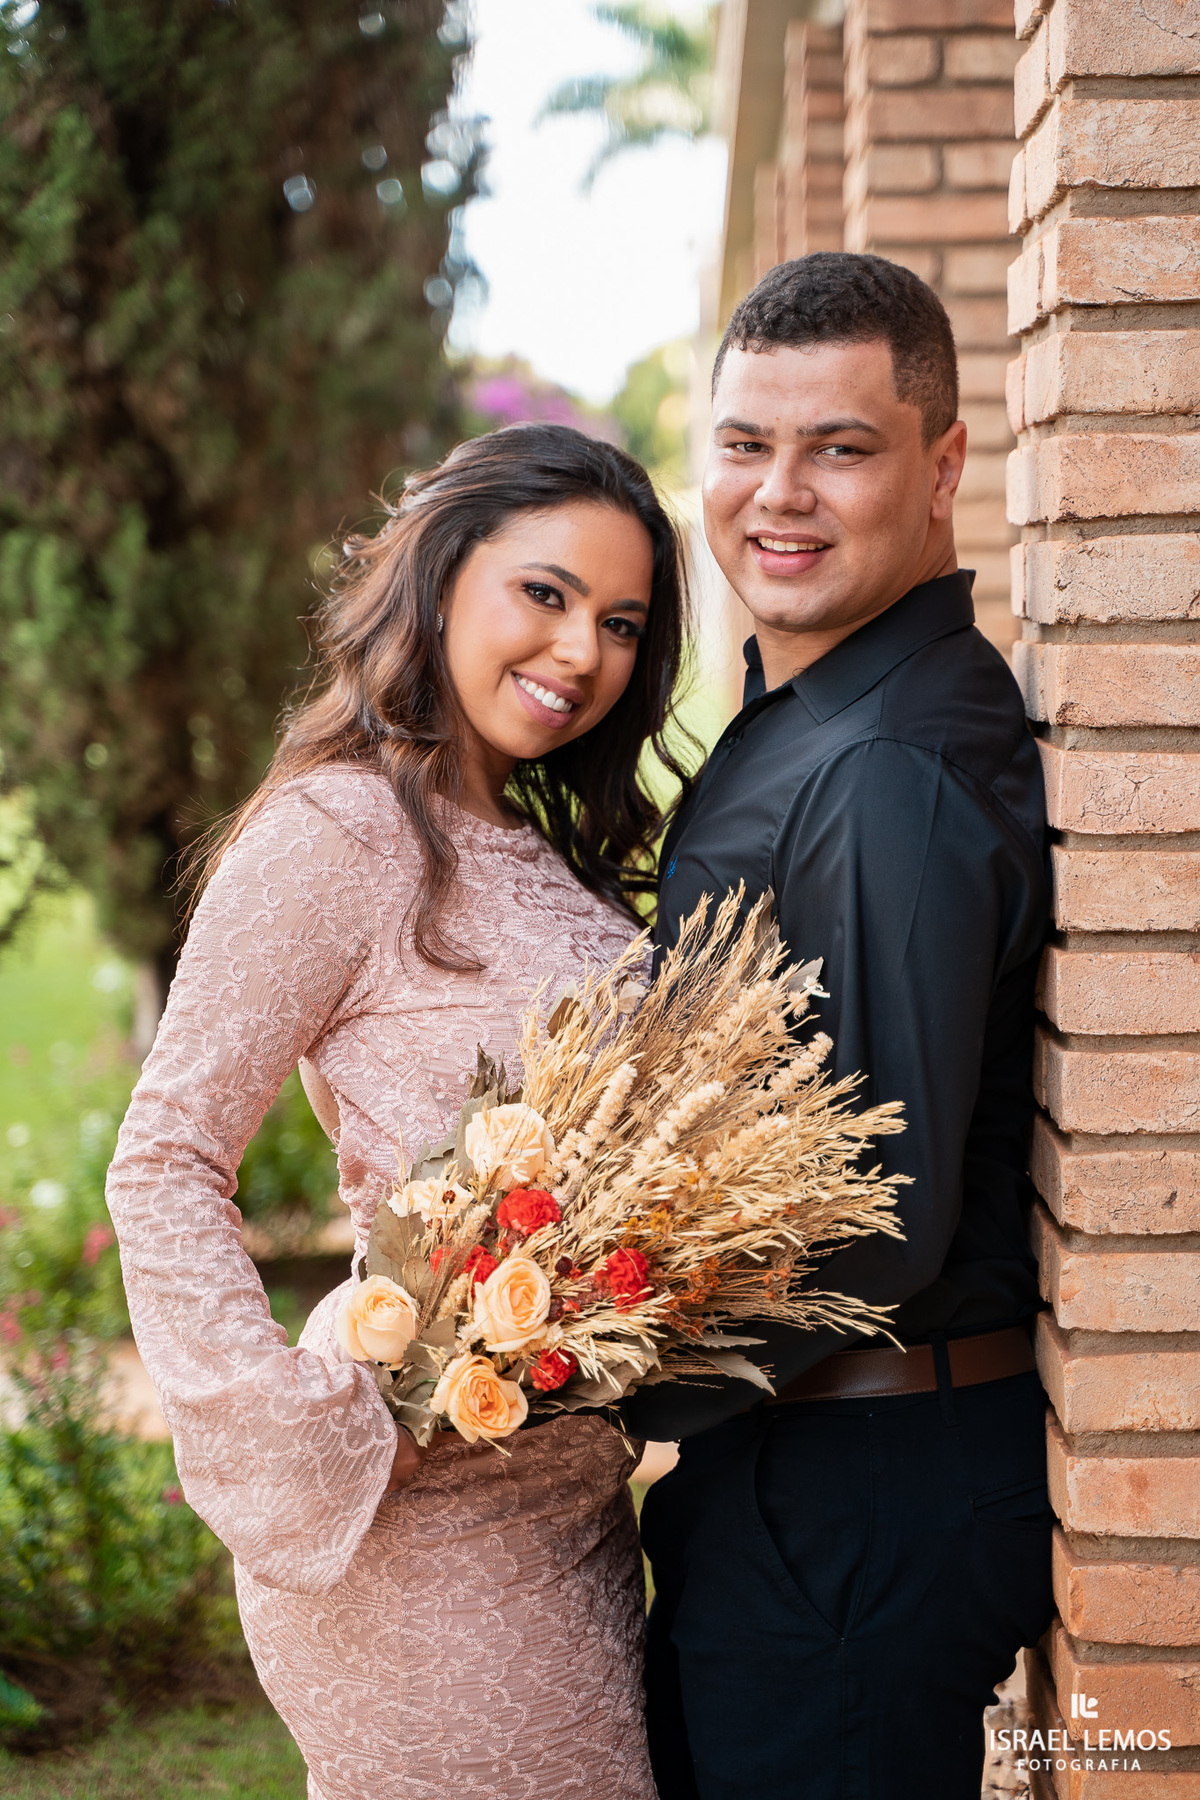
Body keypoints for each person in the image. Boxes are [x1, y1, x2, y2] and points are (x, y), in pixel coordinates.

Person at [104, 423, 694, 1800]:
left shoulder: (552, 857)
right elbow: (165, 1160)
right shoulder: (337, 835)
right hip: (405, 1529)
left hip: (575, 1509)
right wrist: (295, 1425)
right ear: (438, 578)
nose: (579, 654)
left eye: (618, 622)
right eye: (543, 595)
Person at [624, 253, 1056, 1800]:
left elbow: (879, 1222)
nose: (779, 494)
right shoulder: (825, 711)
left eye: (842, 447)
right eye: (746, 444)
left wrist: (593, 1377)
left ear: (944, 468)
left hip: (861, 1494)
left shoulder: (886, 769)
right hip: (814, 1471)